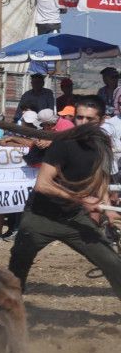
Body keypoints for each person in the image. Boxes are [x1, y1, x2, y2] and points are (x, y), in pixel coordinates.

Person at [8, 95, 121, 301]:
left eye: (89, 119)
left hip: (74, 217)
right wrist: (83, 200)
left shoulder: (102, 144)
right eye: (79, 117)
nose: (82, 123)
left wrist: (108, 209)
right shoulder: (63, 143)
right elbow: (43, 184)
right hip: (40, 216)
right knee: (18, 266)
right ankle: (8, 310)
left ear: (102, 120)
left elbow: (101, 178)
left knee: (113, 263)